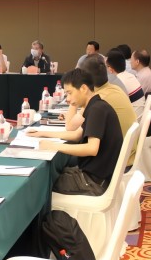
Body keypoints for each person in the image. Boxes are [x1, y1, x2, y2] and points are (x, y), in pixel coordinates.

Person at [27, 68, 123, 196]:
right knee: (50, 174)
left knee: (39, 183)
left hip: (93, 182)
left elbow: (92, 148)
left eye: (70, 93)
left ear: (83, 88)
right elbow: (77, 135)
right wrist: (42, 133)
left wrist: (53, 146)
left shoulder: (97, 110)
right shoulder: (96, 105)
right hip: (96, 177)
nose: (67, 99)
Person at [106, 49, 145, 116]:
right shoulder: (131, 76)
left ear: (110, 69)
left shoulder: (118, 82)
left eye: (106, 66)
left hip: (133, 120)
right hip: (139, 117)